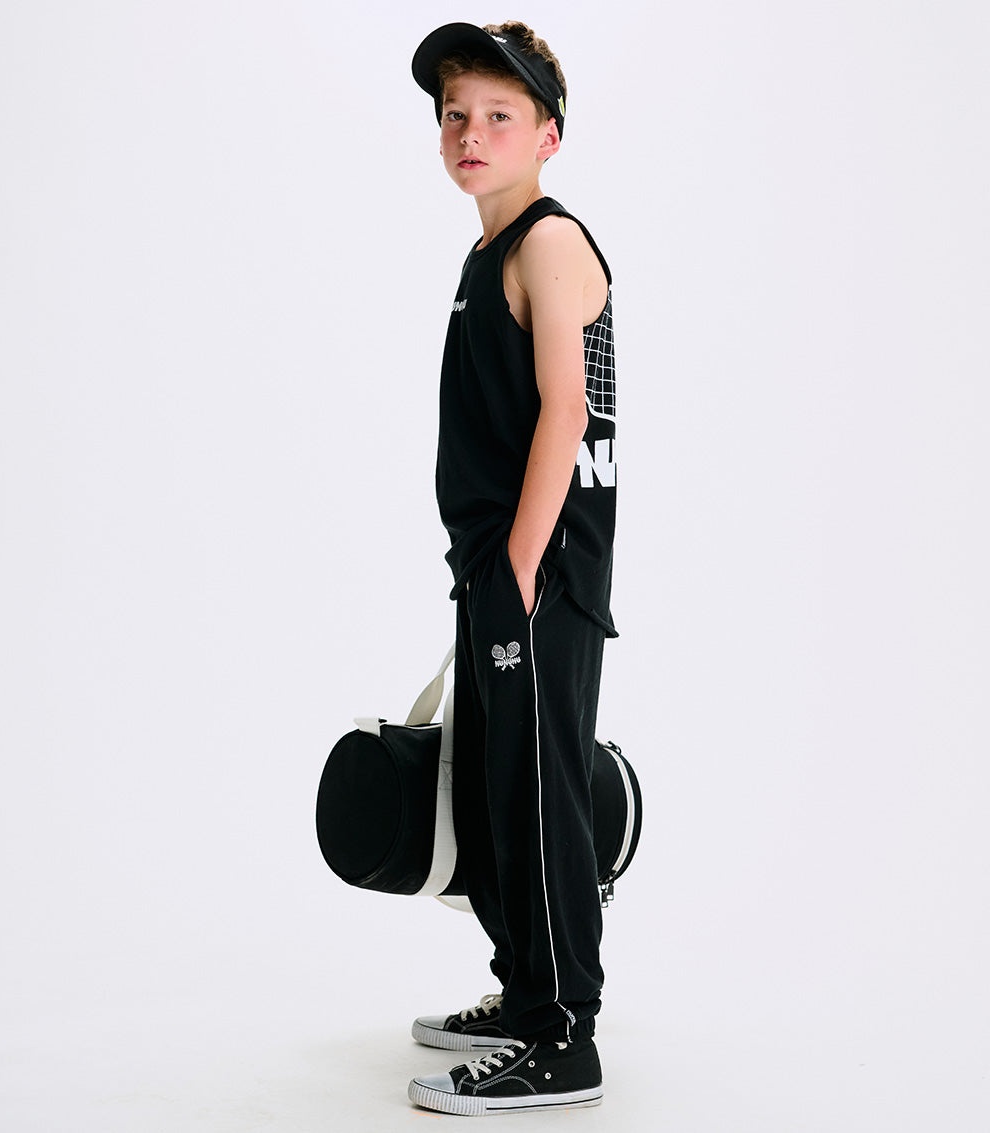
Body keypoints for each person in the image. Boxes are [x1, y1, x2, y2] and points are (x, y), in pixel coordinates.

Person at [407, 21, 618, 1117]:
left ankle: (562, 1035)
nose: (470, 133)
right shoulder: (486, 253)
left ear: (547, 134)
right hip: (494, 566)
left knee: (539, 799)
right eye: (455, 115)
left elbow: (566, 413)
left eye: (498, 115)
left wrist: (523, 568)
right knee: (495, 795)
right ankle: (525, 992)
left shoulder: (548, 241)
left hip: (537, 569)